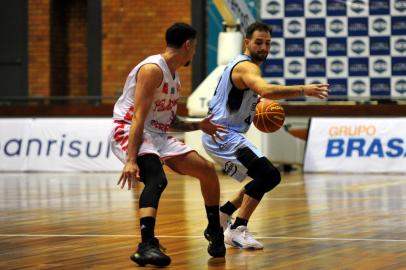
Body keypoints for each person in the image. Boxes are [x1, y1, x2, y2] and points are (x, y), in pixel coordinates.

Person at [202, 22, 330, 249]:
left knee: (262, 177)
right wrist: (303, 89)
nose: (263, 47)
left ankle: (224, 215)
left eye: (268, 43)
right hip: (222, 136)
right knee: (270, 176)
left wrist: (254, 103)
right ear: (247, 42)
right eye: (258, 42)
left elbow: (248, 93)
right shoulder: (246, 67)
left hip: (225, 135)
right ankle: (237, 229)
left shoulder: (242, 67)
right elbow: (266, 90)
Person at [109, 22, 226, 267]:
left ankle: (215, 231)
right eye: (194, 48)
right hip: (130, 129)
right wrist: (131, 160)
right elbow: (138, 117)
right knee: (156, 178)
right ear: (188, 45)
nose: (194, 52)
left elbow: (170, 120)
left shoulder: (175, 78)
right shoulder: (153, 69)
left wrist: (198, 125)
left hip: (157, 134)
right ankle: (146, 245)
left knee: (206, 170)